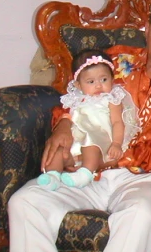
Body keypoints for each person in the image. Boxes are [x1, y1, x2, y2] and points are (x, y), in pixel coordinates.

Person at [8, 0, 151, 252]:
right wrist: (64, 126)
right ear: (147, 29)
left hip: (143, 178)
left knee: (141, 213)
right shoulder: (114, 61)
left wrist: (113, 155)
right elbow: (74, 101)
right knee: (25, 201)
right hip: (87, 171)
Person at [37, 49, 139, 191]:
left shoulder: (111, 99)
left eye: (104, 79)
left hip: (100, 139)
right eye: (91, 81)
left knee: (90, 145)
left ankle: (85, 174)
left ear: (112, 78)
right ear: (78, 85)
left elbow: (117, 122)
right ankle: (53, 175)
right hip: (76, 139)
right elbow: (69, 118)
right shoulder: (76, 99)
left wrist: (116, 143)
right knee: (59, 150)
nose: (98, 85)